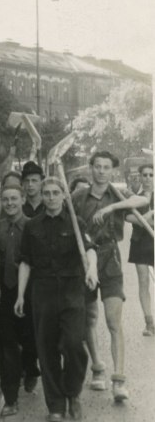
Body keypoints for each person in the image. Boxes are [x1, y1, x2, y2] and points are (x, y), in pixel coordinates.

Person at [15, 177, 98, 422]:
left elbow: (90, 248)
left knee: (74, 344)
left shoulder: (75, 222)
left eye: (55, 193)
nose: (51, 197)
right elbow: (25, 262)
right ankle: (56, 405)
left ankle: (73, 392)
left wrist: (92, 269)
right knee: (47, 349)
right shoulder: (32, 226)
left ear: (64, 195)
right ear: (41, 196)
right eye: (46, 193)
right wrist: (20, 295)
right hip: (43, 291)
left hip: (73, 290)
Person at [72, 151, 149, 401]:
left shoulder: (117, 194)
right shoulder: (79, 196)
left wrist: (113, 207)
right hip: (84, 259)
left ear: (112, 171)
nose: (102, 171)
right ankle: (97, 367)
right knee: (89, 318)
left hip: (111, 259)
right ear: (91, 168)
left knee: (114, 321)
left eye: (106, 167)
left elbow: (141, 202)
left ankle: (119, 381)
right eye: (98, 166)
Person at [0, 180, 37, 416]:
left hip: (30, 293)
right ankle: (10, 398)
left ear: (23, 200)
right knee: (6, 347)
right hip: (3, 292)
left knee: (30, 342)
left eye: (14, 198)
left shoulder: (34, 226)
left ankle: (31, 368)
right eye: (5, 199)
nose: (9, 203)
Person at [126, 164, 154, 336]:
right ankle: (149, 323)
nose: (148, 178)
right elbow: (126, 216)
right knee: (143, 281)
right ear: (140, 177)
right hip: (140, 242)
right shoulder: (135, 198)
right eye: (145, 175)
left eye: (151, 175)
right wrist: (144, 220)